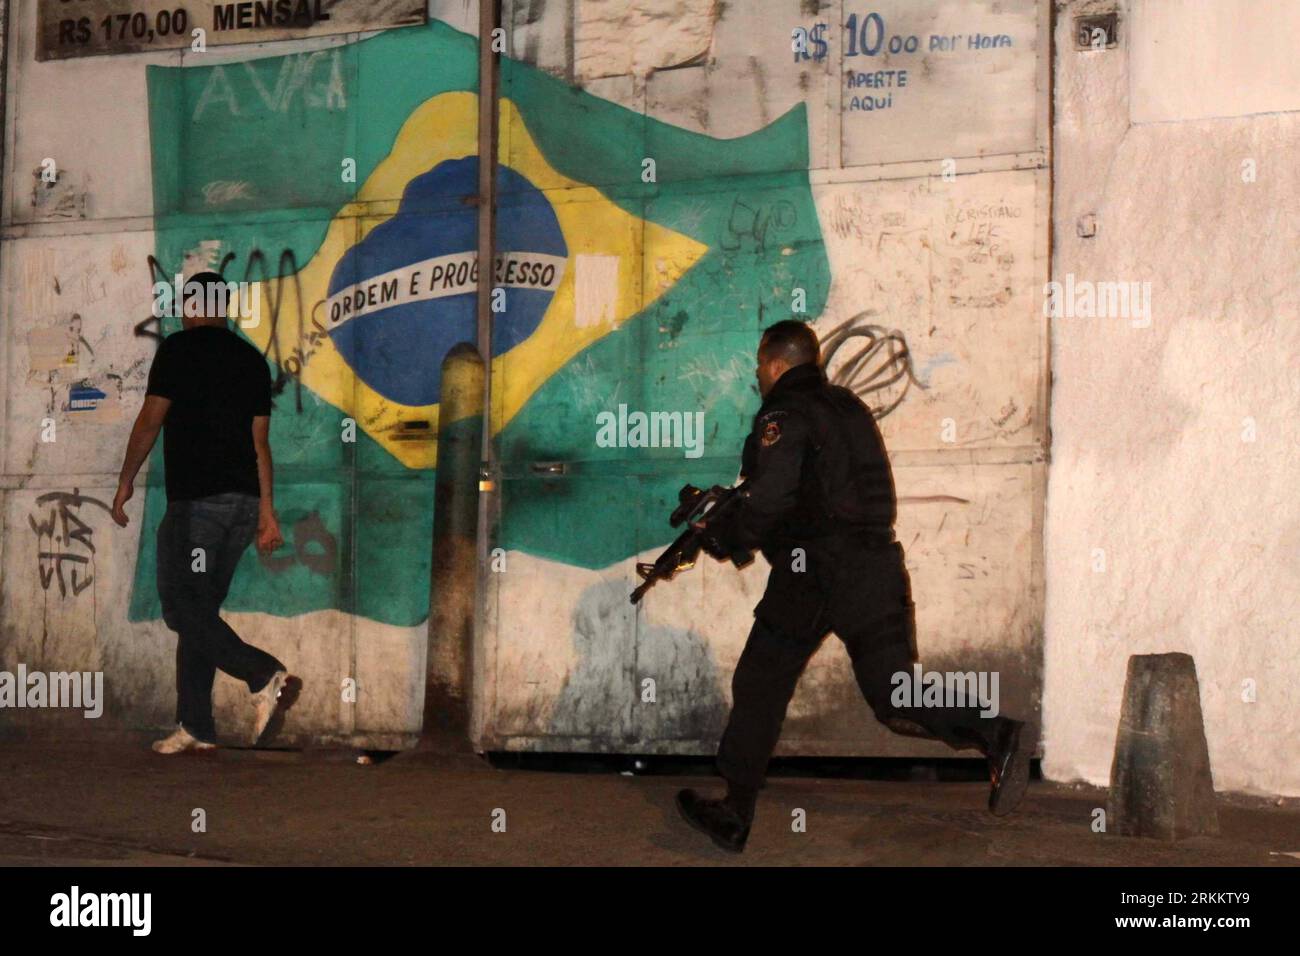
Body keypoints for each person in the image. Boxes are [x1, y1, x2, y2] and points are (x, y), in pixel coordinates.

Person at [675, 320, 1032, 853]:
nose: (758, 374)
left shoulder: (782, 414)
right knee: (894, 692)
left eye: (759, 365)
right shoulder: (849, 408)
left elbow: (771, 502)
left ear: (775, 364)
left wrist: (724, 533)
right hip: (875, 563)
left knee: (761, 682)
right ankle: (996, 732)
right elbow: (816, 489)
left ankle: (734, 809)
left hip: (813, 568)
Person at [111, 271, 295, 754]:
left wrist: (126, 479)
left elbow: (151, 419)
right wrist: (267, 512)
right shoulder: (252, 361)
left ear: (191, 304)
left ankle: (261, 672)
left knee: (180, 607)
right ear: (225, 306)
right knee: (199, 613)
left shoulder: (177, 351)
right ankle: (195, 725)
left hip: (199, 507)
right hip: (242, 506)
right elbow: (261, 443)